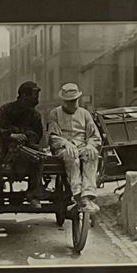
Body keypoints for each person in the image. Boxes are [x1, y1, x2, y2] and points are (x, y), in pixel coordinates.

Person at [46, 82, 104, 212]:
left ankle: (87, 196)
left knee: (92, 153)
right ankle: (77, 193)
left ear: (78, 99)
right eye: (68, 101)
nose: (71, 104)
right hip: (63, 148)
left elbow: (95, 136)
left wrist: (90, 145)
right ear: (63, 101)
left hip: (82, 146)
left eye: (74, 101)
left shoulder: (85, 114)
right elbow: (52, 136)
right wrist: (65, 143)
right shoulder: (55, 113)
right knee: (71, 156)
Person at [0, 81, 46, 204]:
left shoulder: (35, 115)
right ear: (24, 95)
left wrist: (26, 137)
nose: (36, 99)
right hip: (4, 147)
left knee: (38, 153)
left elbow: (38, 134)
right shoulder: (6, 110)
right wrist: (11, 136)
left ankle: (33, 194)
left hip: (25, 149)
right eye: (34, 95)